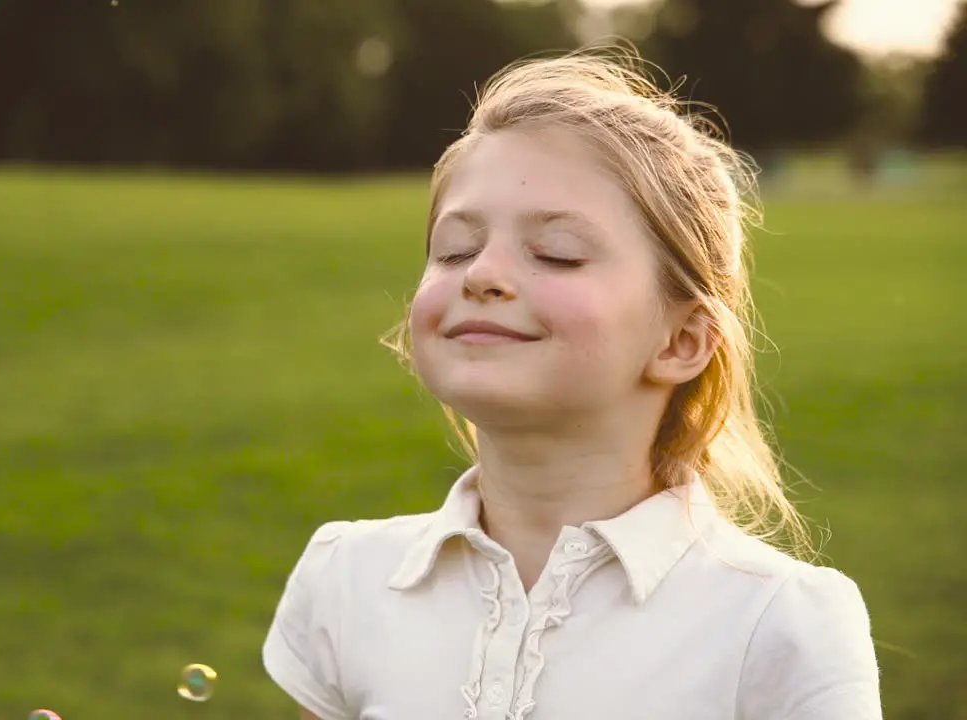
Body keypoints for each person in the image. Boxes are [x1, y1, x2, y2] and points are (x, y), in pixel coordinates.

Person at [261, 47, 883, 720]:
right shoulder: (348, 579)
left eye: (556, 253)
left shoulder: (778, 623)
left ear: (680, 342)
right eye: (455, 249)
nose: (480, 274)